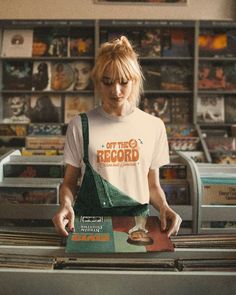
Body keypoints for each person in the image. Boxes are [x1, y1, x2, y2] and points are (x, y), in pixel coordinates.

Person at [52, 36, 182, 237]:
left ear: (134, 80)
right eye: (107, 82)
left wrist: (164, 207)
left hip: (137, 226)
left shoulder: (153, 126)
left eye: (123, 82)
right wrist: (66, 205)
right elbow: (69, 183)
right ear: (97, 82)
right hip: (91, 225)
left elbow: (152, 185)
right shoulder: (80, 125)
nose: (116, 91)